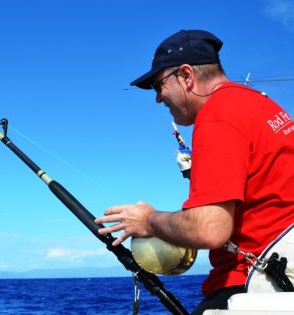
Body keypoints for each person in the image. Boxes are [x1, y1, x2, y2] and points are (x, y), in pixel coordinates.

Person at [94, 29, 294, 314]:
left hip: (255, 279)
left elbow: (210, 228)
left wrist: (148, 221)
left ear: (186, 75)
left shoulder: (217, 114)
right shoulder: (261, 104)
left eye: (158, 85)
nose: (158, 99)